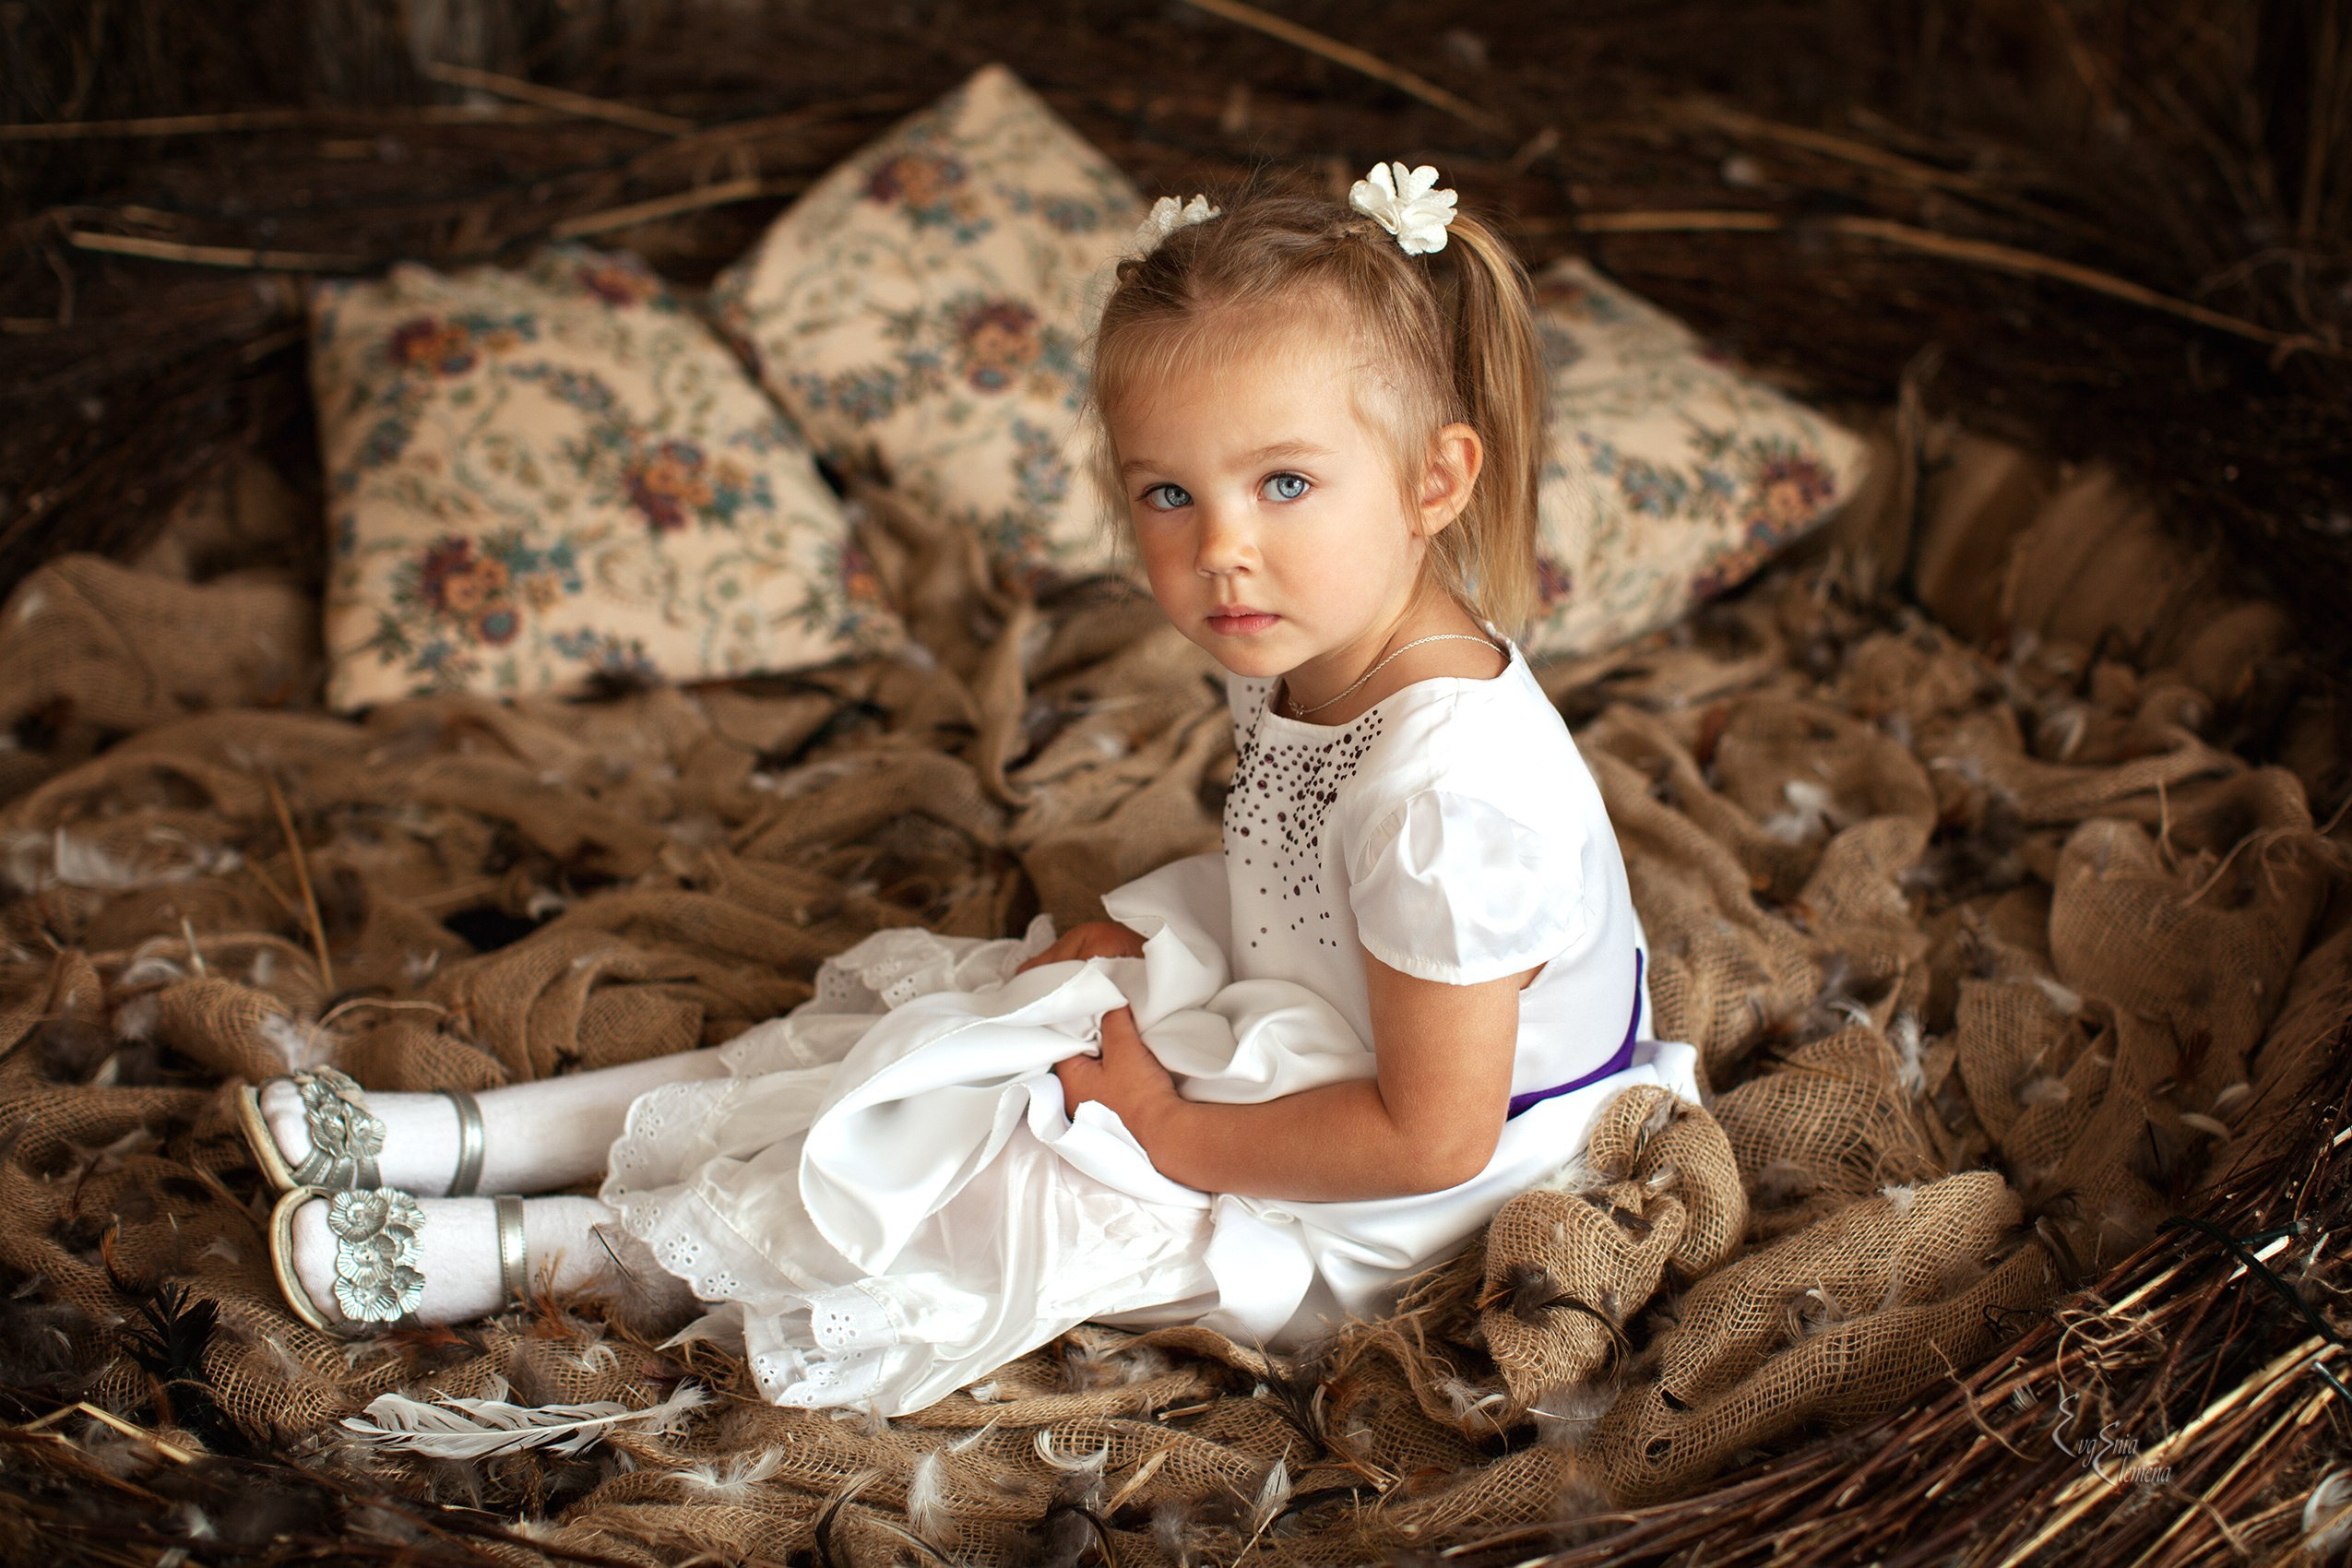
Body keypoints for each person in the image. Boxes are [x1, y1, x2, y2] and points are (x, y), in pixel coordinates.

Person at [240, 162, 1701, 1414]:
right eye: (1168, 494)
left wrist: (1172, 1134)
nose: (1219, 552)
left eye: (1283, 484)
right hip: (1318, 1030)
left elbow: (1432, 1135)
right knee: (950, 1025)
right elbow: (1310, 876)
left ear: (1435, 481)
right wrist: (1157, 941)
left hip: (1397, 1192)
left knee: (1009, 1165)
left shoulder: (1453, 798)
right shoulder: (1311, 630)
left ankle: (569, 1251)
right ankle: (496, 1135)